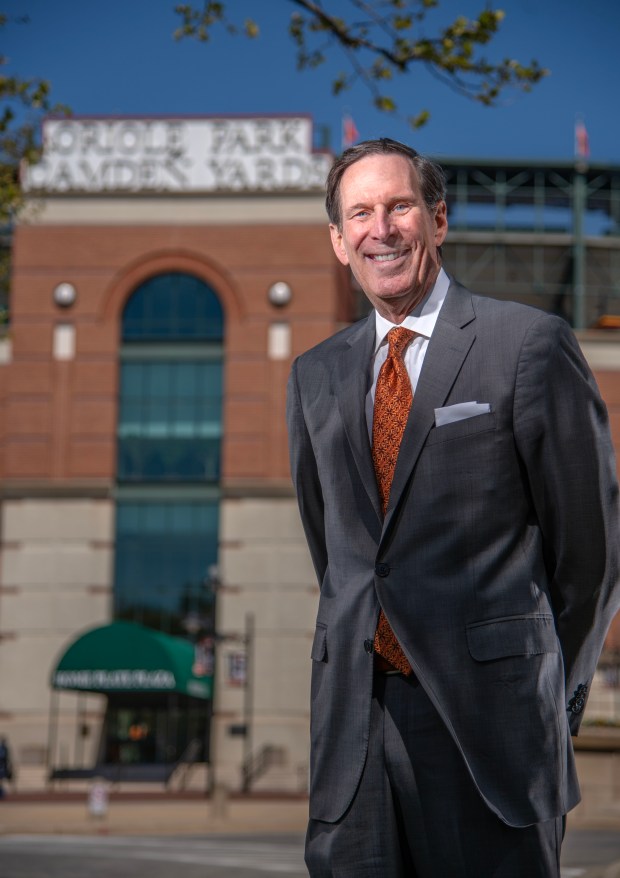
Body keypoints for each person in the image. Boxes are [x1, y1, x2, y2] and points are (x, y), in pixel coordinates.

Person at [286, 138, 620, 878]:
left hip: (490, 733)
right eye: (361, 214)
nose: (383, 228)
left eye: (400, 206)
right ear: (339, 243)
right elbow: (341, 556)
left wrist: (549, 700)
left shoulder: (528, 345)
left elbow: (590, 557)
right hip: (355, 734)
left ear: (438, 219)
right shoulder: (314, 376)